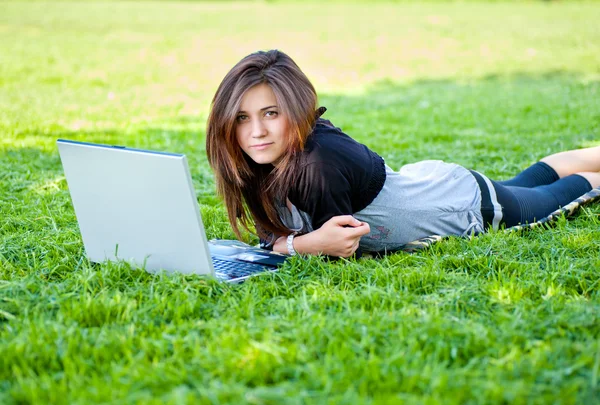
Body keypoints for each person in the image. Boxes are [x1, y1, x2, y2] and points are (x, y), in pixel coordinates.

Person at [206, 49, 600, 258]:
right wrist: (285, 244)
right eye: (242, 117)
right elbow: (279, 237)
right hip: (431, 184)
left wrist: (291, 246)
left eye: (271, 113)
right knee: (526, 182)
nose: (255, 131)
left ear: (296, 110)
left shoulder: (316, 164)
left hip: (458, 207)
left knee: (549, 199)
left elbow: (339, 247)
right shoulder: (259, 159)